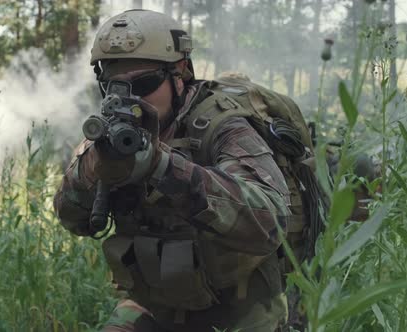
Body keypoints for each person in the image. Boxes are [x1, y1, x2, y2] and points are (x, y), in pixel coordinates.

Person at [54, 9, 292, 332]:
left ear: (180, 74)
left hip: (239, 308)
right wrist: (92, 169)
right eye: (114, 87)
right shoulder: (109, 135)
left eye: (145, 83)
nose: (131, 99)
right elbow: (70, 217)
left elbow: (272, 217)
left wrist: (162, 167)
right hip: (155, 305)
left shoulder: (221, 126)